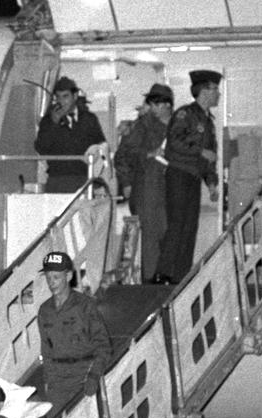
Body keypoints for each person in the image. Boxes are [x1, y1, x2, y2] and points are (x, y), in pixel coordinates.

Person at [151, 70, 223, 285]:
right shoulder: (184, 114)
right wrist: (200, 151)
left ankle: (181, 275)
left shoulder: (208, 121)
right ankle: (163, 273)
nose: (218, 93)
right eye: (214, 89)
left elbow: (210, 158)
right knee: (177, 224)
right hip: (178, 175)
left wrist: (211, 184)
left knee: (190, 227)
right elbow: (174, 142)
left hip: (193, 178)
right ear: (203, 91)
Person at [37, 252, 112, 412]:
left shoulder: (85, 306)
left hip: (83, 374)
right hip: (58, 380)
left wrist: (94, 375)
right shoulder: (45, 310)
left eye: (56, 277)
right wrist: (48, 380)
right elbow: (46, 349)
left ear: (69, 276)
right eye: (48, 278)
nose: (51, 283)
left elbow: (104, 346)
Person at [114, 83, 175, 281]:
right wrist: (127, 184)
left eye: (155, 103)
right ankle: (152, 282)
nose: (151, 108)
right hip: (148, 187)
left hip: (172, 187)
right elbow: (123, 156)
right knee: (151, 238)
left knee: (169, 235)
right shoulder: (142, 126)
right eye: (151, 103)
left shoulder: (179, 127)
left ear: (166, 105)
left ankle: (167, 279)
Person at [34, 76, 107, 193]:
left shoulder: (89, 119)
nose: (61, 101)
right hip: (57, 180)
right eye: (58, 97)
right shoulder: (48, 121)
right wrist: (54, 123)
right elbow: (41, 148)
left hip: (84, 179)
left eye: (65, 96)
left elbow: (101, 146)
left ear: (75, 96)